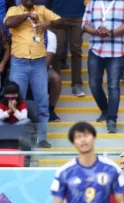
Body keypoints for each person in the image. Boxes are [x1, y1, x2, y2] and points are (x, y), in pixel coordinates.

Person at [4, 0, 62, 148]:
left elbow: (61, 21)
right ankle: (17, 138)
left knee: (42, 102)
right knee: (15, 101)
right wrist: (27, 15)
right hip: (19, 63)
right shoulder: (14, 10)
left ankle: (41, 138)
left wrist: (48, 24)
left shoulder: (42, 10)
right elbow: (8, 22)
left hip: (38, 64)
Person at [82, 0, 124, 133]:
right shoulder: (92, 2)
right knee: (94, 84)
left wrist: (111, 33)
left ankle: (112, 119)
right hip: (96, 48)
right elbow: (84, 24)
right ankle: (105, 110)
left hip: (117, 50)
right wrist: (96, 31)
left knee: (113, 85)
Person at [50, 0, 86, 97]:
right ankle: (55, 84)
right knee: (56, 51)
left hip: (78, 15)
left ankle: (77, 84)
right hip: (58, 15)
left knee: (76, 50)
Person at [46, 29, 62, 122]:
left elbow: (48, 59)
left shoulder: (50, 35)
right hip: (23, 66)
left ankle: (50, 109)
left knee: (56, 78)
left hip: (43, 67)